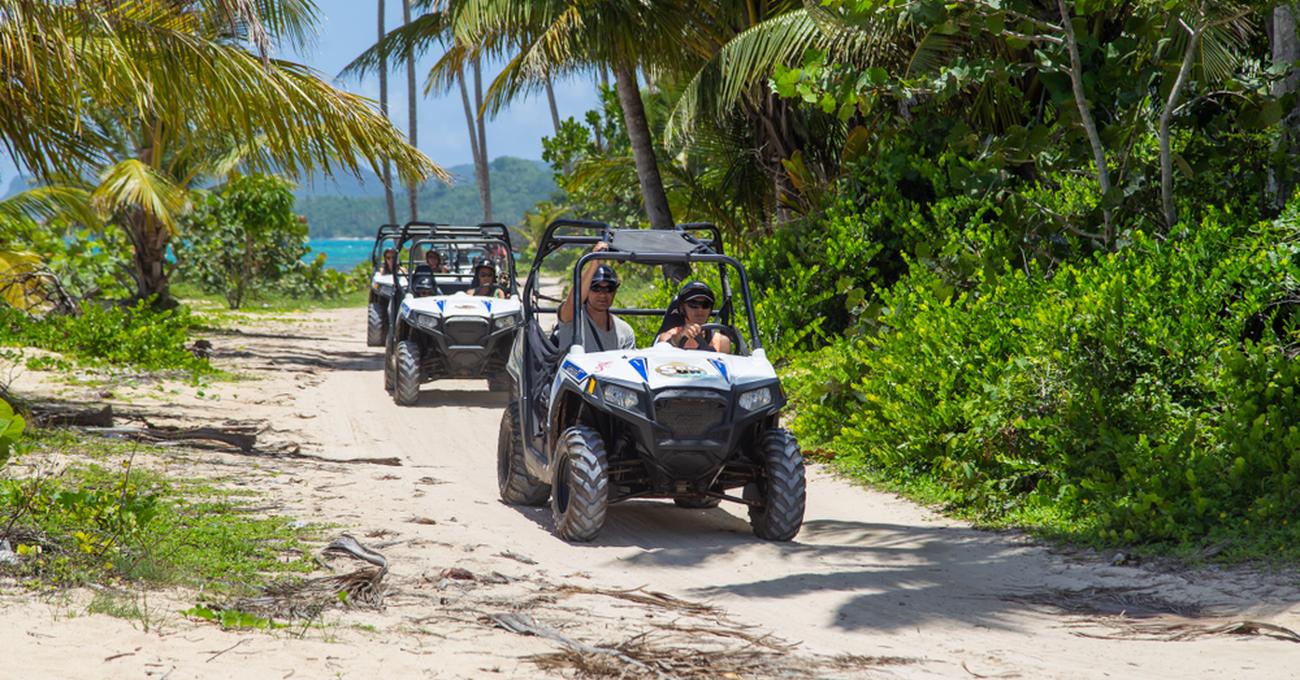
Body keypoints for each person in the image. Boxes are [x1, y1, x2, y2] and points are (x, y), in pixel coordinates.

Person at [554, 242, 635, 352]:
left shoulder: (625, 331)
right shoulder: (572, 319)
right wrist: (594, 263)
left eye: (609, 289)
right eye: (596, 288)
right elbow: (573, 302)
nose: (602, 295)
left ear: (615, 292)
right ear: (587, 290)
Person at [655, 281, 731, 353]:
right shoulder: (668, 337)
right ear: (682, 308)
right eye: (693, 305)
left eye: (705, 305)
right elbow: (662, 354)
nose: (700, 310)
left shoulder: (722, 342)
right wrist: (677, 339)